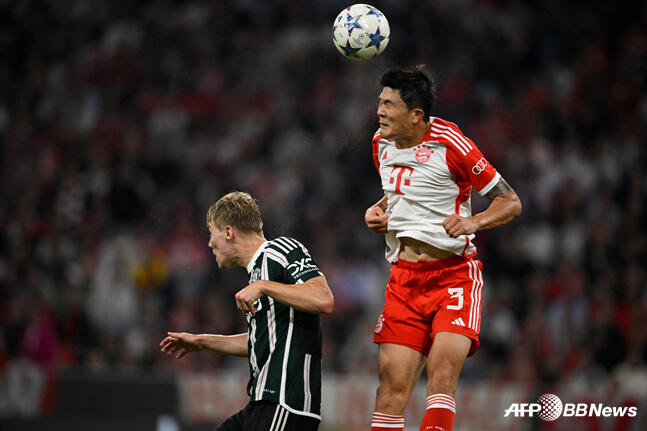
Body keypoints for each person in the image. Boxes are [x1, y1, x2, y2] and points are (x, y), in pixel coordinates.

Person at [365, 67, 522, 431]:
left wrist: (475, 222)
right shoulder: (380, 143)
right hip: (404, 281)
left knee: (441, 374)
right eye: (380, 102)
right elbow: (400, 193)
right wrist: (380, 211)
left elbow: (510, 202)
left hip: (453, 278)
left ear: (416, 115)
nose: (380, 112)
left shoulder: (451, 143)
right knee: (390, 391)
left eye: (389, 105)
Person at [160, 191, 334, 431]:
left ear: (228, 232)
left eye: (212, 233)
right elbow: (261, 340)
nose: (210, 243)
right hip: (261, 403)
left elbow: (323, 299)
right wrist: (201, 341)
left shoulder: (280, 250)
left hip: (285, 402)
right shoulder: (256, 274)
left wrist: (263, 286)